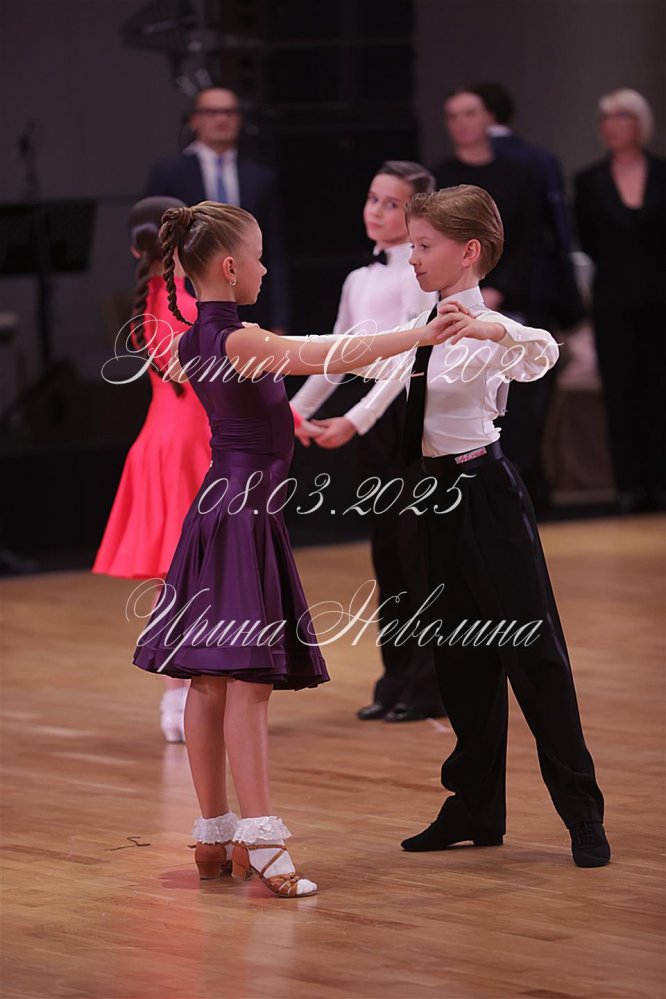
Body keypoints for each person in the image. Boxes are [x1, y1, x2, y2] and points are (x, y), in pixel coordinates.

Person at [131, 201, 451, 898]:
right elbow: (337, 352)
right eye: (259, 257)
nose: (267, 268)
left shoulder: (197, 338)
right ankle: (265, 841)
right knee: (246, 682)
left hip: (221, 508)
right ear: (229, 267)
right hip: (242, 514)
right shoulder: (241, 338)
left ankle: (213, 836)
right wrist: (422, 332)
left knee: (209, 678)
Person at [351, 185, 610, 868]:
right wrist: (337, 421)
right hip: (431, 496)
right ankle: (474, 806)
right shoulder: (423, 322)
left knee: (534, 654)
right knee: (459, 658)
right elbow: (373, 373)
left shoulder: (490, 327)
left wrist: (496, 329)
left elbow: (543, 351)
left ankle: (582, 811)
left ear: (468, 251)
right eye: (411, 244)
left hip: (485, 493)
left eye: (424, 245)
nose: (412, 257)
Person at [290, 160, 444, 723]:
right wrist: (292, 411)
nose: (376, 211)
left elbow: (406, 361)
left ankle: (431, 683)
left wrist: (353, 421)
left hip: (411, 415)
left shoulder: (419, 274)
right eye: (373, 198)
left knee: (419, 549)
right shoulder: (359, 279)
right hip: (374, 419)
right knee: (387, 551)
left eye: (391, 203)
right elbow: (337, 355)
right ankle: (396, 676)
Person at [93, 196, 210, 744]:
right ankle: (186, 693)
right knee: (198, 574)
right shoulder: (190, 299)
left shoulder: (151, 299)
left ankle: (179, 694)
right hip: (194, 439)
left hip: (162, 439)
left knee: (178, 577)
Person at [431, 89, 554, 511]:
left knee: (519, 402)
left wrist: (495, 293)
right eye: (452, 116)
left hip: (505, 299)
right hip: (454, 301)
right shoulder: (441, 176)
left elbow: (531, 243)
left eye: (469, 113)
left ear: (489, 118)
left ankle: (521, 487)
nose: (461, 123)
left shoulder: (519, 174)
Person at [574, 89, 666, 514]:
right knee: (620, 393)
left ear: (641, 123)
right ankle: (628, 484)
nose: (612, 125)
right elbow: (588, 241)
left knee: (659, 391)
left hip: (661, 300)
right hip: (613, 302)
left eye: (622, 115)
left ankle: (660, 481)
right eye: (605, 117)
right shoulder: (588, 181)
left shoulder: (663, 173)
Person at [145, 87, 288, 332]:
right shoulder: (169, 173)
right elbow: (156, 242)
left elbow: (274, 250)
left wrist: (279, 319)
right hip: (188, 298)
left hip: (250, 300)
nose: (222, 119)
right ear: (194, 119)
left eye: (229, 112)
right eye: (212, 112)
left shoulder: (259, 176)